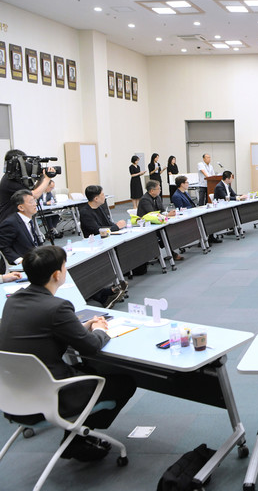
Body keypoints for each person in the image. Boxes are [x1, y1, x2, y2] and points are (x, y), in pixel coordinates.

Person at [0, 245, 136, 462]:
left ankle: (77, 438)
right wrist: (100, 330)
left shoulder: (12, 301)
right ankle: (78, 439)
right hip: (48, 397)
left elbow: (43, 332)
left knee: (86, 368)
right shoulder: (57, 307)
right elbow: (91, 347)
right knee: (125, 383)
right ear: (57, 275)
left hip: (13, 396)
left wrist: (80, 328)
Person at [0, 149, 55, 223]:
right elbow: (34, 195)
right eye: (23, 162)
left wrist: (41, 178)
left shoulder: (16, 178)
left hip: (18, 219)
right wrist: (47, 179)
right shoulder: (9, 180)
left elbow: (33, 191)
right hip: (9, 221)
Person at [137, 180, 181, 261]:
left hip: (157, 221)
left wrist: (168, 213)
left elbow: (162, 210)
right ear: (152, 190)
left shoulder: (157, 197)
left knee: (169, 229)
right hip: (146, 224)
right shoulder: (145, 200)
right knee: (164, 232)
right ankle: (171, 253)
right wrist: (167, 215)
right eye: (158, 189)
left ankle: (166, 252)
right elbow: (152, 214)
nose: (160, 190)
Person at [0, 190, 42, 267]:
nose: (35, 204)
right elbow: (3, 245)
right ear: (21, 207)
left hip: (34, 260)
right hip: (22, 264)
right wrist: (19, 260)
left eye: (34, 201)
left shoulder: (28, 219)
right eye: (31, 202)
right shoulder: (10, 223)